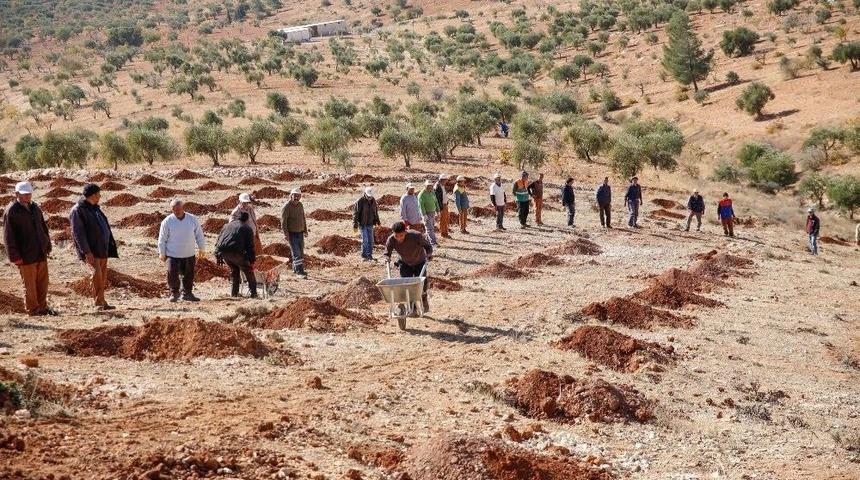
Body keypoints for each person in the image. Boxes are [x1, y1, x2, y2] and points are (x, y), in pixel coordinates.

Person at [3, 182, 54, 316]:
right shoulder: (12, 211)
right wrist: (15, 256)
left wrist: (47, 244)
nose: (27, 196)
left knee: (43, 282)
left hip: (40, 252)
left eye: (29, 193)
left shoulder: (35, 208)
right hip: (25, 255)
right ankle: (33, 309)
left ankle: (43, 307)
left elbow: (43, 227)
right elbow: (8, 236)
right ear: (17, 194)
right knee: (30, 285)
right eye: (25, 194)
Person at [70, 183, 118, 311]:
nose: (100, 196)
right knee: (96, 275)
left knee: (102, 276)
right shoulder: (78, 210)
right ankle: (98, 303)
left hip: (102, 249)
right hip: (91, 251)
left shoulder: (95, 208)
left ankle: (103, 301)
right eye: (98, 194)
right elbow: (78, 233)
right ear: (92, 195)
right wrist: (86, 252)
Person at [158, 198, 206, 302]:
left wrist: (202, 248)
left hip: (189, 253)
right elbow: (162, 239)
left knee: (189, 274)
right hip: (172, 254)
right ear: (171, 209)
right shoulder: (167, 222)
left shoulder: (192, 219)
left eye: (178, 210)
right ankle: (174, 293)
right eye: (174, 210)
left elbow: (199, 235)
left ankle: (187, 293)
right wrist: (162, 253)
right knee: (172, 274)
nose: (177, 212)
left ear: (182, 208)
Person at [383, 221, 433, 316]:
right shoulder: (391, 239)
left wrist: (429, 254)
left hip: (419, 261)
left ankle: (424, 298)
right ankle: (412, 309)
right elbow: (387, 252)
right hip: (405, 263)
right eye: (396, 236)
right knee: (407, 285)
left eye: (401, 235)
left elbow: (428, 246)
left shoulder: (416, 236)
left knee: (421, 284)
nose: (399, 238)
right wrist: (387, 258)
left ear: (405, 232)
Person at [215, 211, 257, 298]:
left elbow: (219, 239)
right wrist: (252, 260)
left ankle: (234, 294)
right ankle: (254, 293)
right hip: (235, 252)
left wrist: (217, 253)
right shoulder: (247, 228)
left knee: (235, 271)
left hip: (223, 252)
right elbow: (250, 246)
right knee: (248, 271)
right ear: (247, 220)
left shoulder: (227, 225)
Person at [281, 188, 308, 277]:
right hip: (292, 234)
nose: (296, 197)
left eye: (298, 196)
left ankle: (296, 269)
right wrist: (285, 234)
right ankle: (299, 272)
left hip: (300, 233)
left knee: (300, 252)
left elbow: (303, 218)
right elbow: (283, 222)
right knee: (296, 252)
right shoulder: (287, 206)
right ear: (291, 196)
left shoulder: (300, 205)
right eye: (295, 195)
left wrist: (305, 230)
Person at [354, 187, 381, 261]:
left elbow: (375, 212)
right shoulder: (360, 201)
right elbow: (356, 214)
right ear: (365, 194)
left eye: (371, 196)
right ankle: (364, 256)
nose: (369, 197)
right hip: (362, 224)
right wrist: (355, 225)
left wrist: (378, 222)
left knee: (371, 241)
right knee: (365, 240)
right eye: (368, 196)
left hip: (370, 224)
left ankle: (369, 255)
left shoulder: (373, 201)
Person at [418, 179, 440, 246]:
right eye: (428, 185)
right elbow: (421, 205)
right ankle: (433, 243)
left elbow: (436, 202)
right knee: (429, 228)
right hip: (426, 213)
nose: (429, 187)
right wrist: (424, 215)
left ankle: (427, 241)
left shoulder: (432, 192)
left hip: (432, 212)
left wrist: (438, 211)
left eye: (430, 185)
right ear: (425, 186)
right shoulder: (421, 194)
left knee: (431, 227)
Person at [434, 174, 452, 239]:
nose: (446, 182)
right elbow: (437, 199)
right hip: (442, 205)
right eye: (445, 180)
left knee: (446, 219)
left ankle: (445, 232)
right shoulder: (437, 187)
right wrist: (440, 208)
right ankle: (443, 233)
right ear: (442, 180)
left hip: (445, 204)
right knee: (443, 220)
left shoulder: (442, 186)